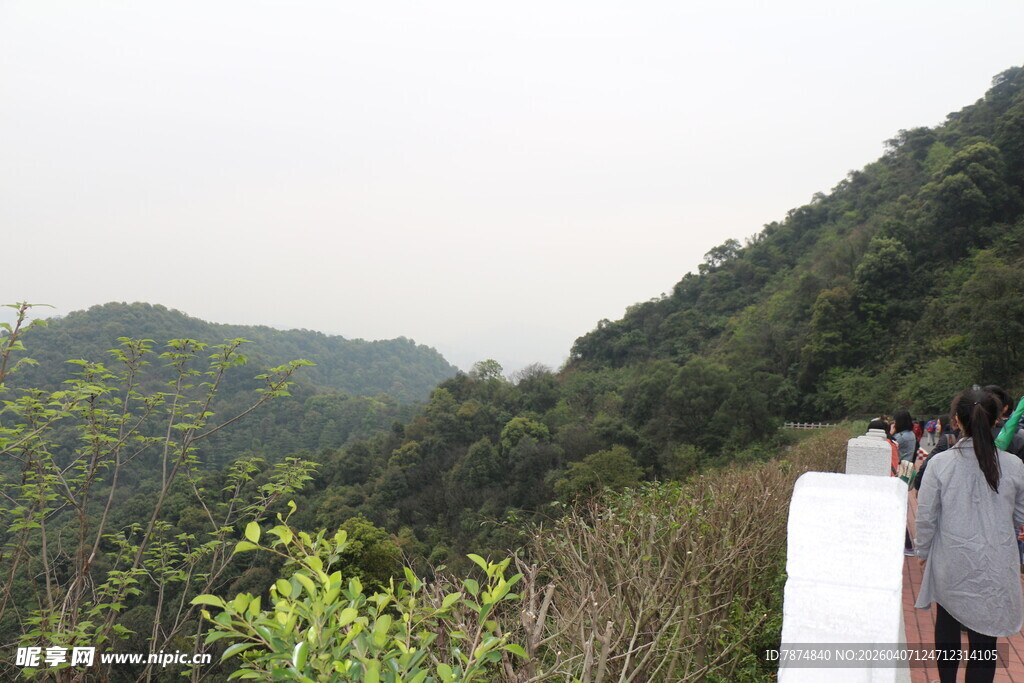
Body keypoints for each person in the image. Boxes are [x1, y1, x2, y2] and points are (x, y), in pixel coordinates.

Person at [914, 388, 1024, 683]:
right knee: (985, 641)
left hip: (952, 560)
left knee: (947, 625)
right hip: (996, 565)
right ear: (994, 421)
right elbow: (1021, 517)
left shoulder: (940, 464)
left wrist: (923, 554)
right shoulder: (1013, 465)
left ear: (957, 421)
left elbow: (925, 517)